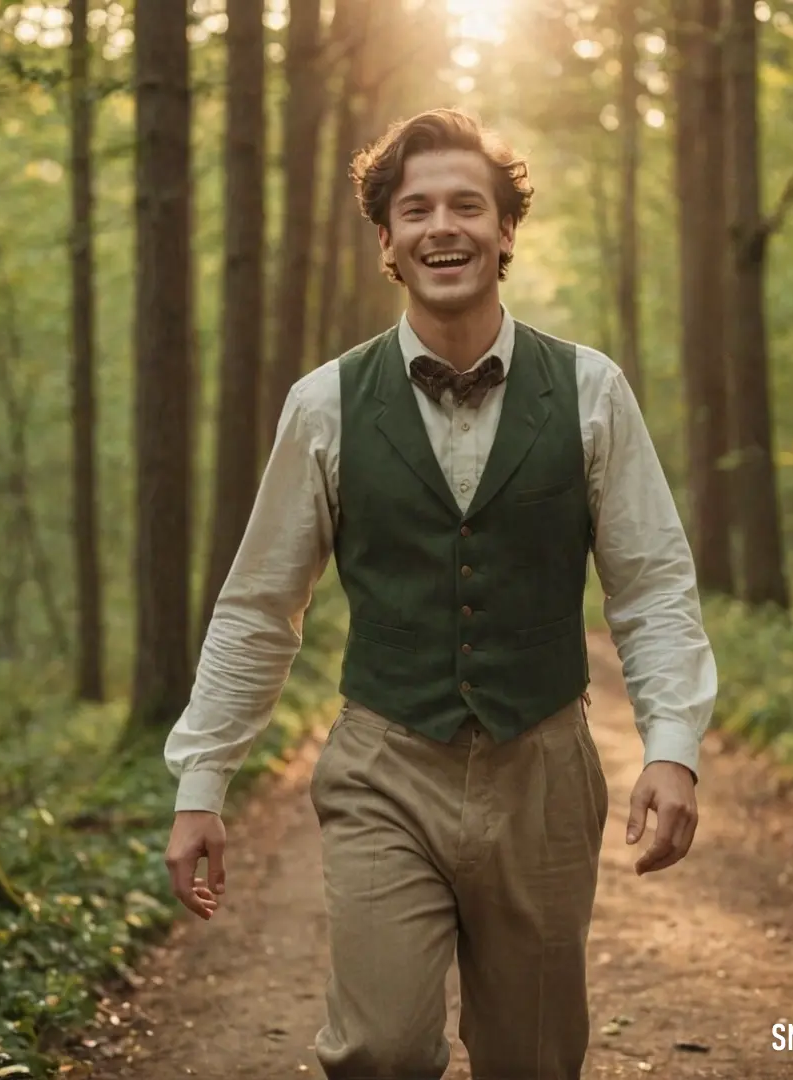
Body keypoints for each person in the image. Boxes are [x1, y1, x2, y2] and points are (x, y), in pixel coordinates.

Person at [162, 107, 717, 1080]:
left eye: (469, 204)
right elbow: (259, 606)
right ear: (388, 241)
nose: (442, 226)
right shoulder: (324, 404)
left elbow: (654, 585)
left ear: (506, 230)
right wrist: (202, 783)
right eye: (416, 210)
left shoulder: (591, 392)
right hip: (386, 764)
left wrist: (673, 749)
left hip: (543, 768)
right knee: (380, 1049)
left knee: (534, 1057)